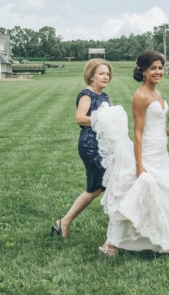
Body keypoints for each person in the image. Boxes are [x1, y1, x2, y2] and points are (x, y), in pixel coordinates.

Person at [92, 50, 169, 256]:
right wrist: (139, 166)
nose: (158, 72)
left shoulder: (158, 94)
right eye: (153, 68)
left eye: (160, 68)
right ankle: (110, 245)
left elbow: (157, 127)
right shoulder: (140, 96)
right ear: (143, 70)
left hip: (162, 155)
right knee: (138, 196)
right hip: (147, 156)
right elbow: (138, 132)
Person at [51, 58, 113, 238]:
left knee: (105, 185)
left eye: (107, 73)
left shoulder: (105, 96)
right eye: (101, 73)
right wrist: (102, 119)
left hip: (104, 144)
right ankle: (64, 221)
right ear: (91, 76)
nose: (106, 77)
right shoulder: (87, 95)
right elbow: (79, 118)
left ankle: (64, 222)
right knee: (96, 187)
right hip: (90, 145)